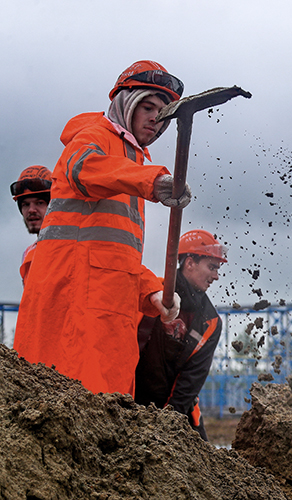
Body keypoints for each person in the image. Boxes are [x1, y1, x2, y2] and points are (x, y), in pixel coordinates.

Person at [14, 60, 192, 396]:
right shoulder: (93, 138)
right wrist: (152, 181)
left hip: (106, 321)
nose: (155, 118)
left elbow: (112, 256)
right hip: (74, 315)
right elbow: (85, 171)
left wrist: (152, 291)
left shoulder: (133, 160)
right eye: (147, 107)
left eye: (162, 111)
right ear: (126, 104)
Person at [135, 230, 226, 441]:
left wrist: (164, 428)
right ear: (190, 263)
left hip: (177, 415)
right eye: (212, 267)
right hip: (128, 403)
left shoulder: (210, 322)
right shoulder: (151, 294)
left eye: (217, 269)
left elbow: (190, 382)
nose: (216, 276)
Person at [10, 165, 52, 283]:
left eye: (39, 203)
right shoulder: (28, 253)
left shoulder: (69, 247)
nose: (31, 210)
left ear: (53, 206)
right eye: (25, 204)